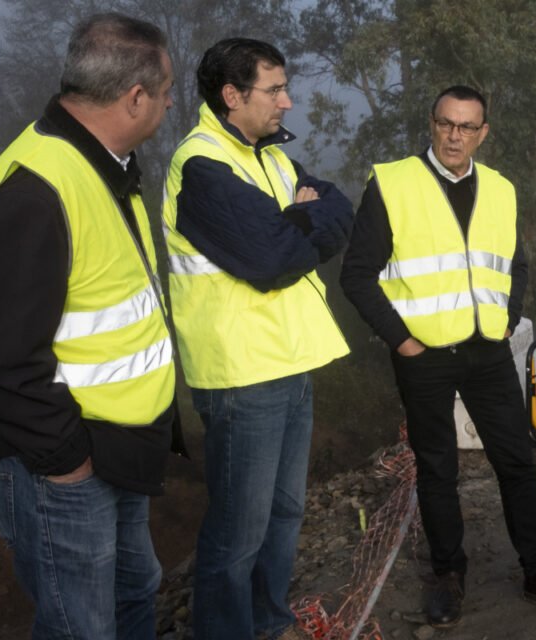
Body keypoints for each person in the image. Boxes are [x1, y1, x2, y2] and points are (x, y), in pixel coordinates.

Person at [0, 13, 178, 638]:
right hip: (60, 468)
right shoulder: (35, 191)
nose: (169, 101)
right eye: (165, 90)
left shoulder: (104, 164)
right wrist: (67, 462)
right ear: (135, 98)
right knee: (81, 628)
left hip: (113, 451)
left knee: (135, 592)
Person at [339, 85, 536, 628]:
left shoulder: (501, 188)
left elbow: (515, 265)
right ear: (432, 124)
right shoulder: (393, 183)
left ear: (483, 133)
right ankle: (449, 576)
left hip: (487, 350)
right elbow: (356, 275)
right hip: (423, 355)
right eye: (446, 124)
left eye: (467, 127)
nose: (455, 135)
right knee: (437, 470)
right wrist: (401, 340)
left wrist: (507, 317)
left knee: (517, 464)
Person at [162, 37, 353, 640]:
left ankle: (270, 624)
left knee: (284, 513)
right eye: (274, 90)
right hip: (241, 375)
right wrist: (300, 220)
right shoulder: (202, 167)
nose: (288, 102)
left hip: (291, 360)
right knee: (236, 532)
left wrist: (298, 218)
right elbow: (271, 260)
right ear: (231, 95)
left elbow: (341, 210)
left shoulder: (269, 157)